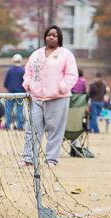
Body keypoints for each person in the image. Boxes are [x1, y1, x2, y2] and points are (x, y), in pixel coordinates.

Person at [19, 25, 78, 167]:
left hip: (58, 97)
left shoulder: (65, 54)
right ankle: (28, 158)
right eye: (48, 35)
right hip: (37, 96)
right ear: (45, 37)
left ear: (59, 38)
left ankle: (51, 160)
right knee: (32, 127)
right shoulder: (36, 54)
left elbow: (72, 74)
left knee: (55, 130)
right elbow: (28, 71)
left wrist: (61, 87)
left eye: (55, 35)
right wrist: (29, 84)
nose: (51, 37)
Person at [3, 54, 25, 130]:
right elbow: (25, 82)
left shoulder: (10, 70)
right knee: (19, 110)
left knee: (9, 109)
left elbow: (5, 82)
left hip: (11, 92)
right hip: (20, 93)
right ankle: (20, 126)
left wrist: (9, 88)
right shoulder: (23, 70)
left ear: (13, 61)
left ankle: (7, 126)